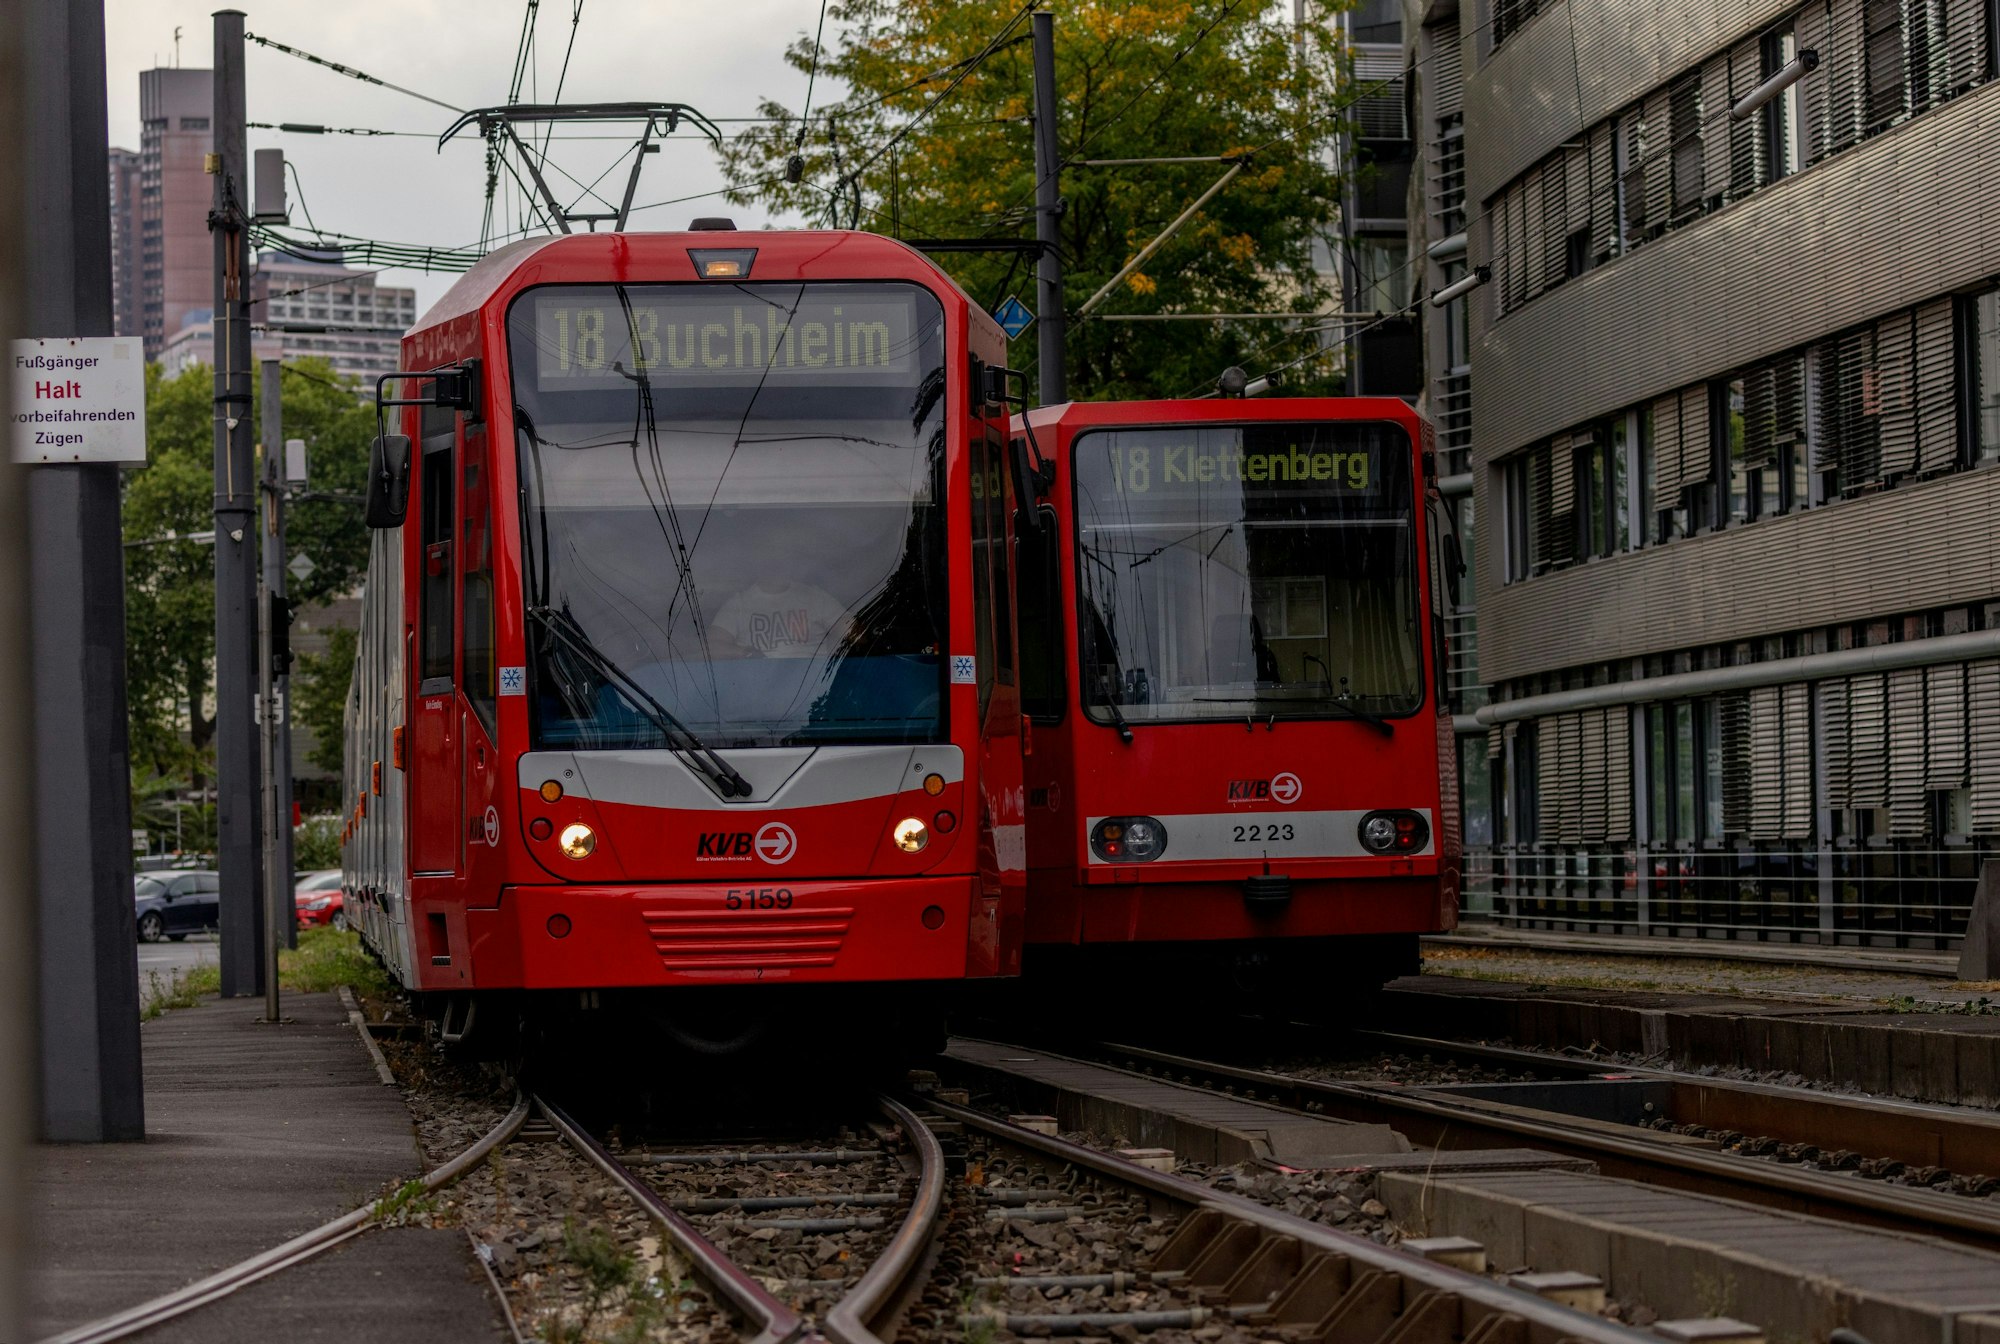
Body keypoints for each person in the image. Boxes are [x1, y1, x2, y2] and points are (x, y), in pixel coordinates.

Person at [710, 576, 853, 657]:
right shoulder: (739, 603)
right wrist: (745, 653)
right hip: (757, 689)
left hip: (815, 690)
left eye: (780, 552)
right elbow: (712, 646)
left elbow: (853, 632)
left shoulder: (814, 597)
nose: (773, 560)